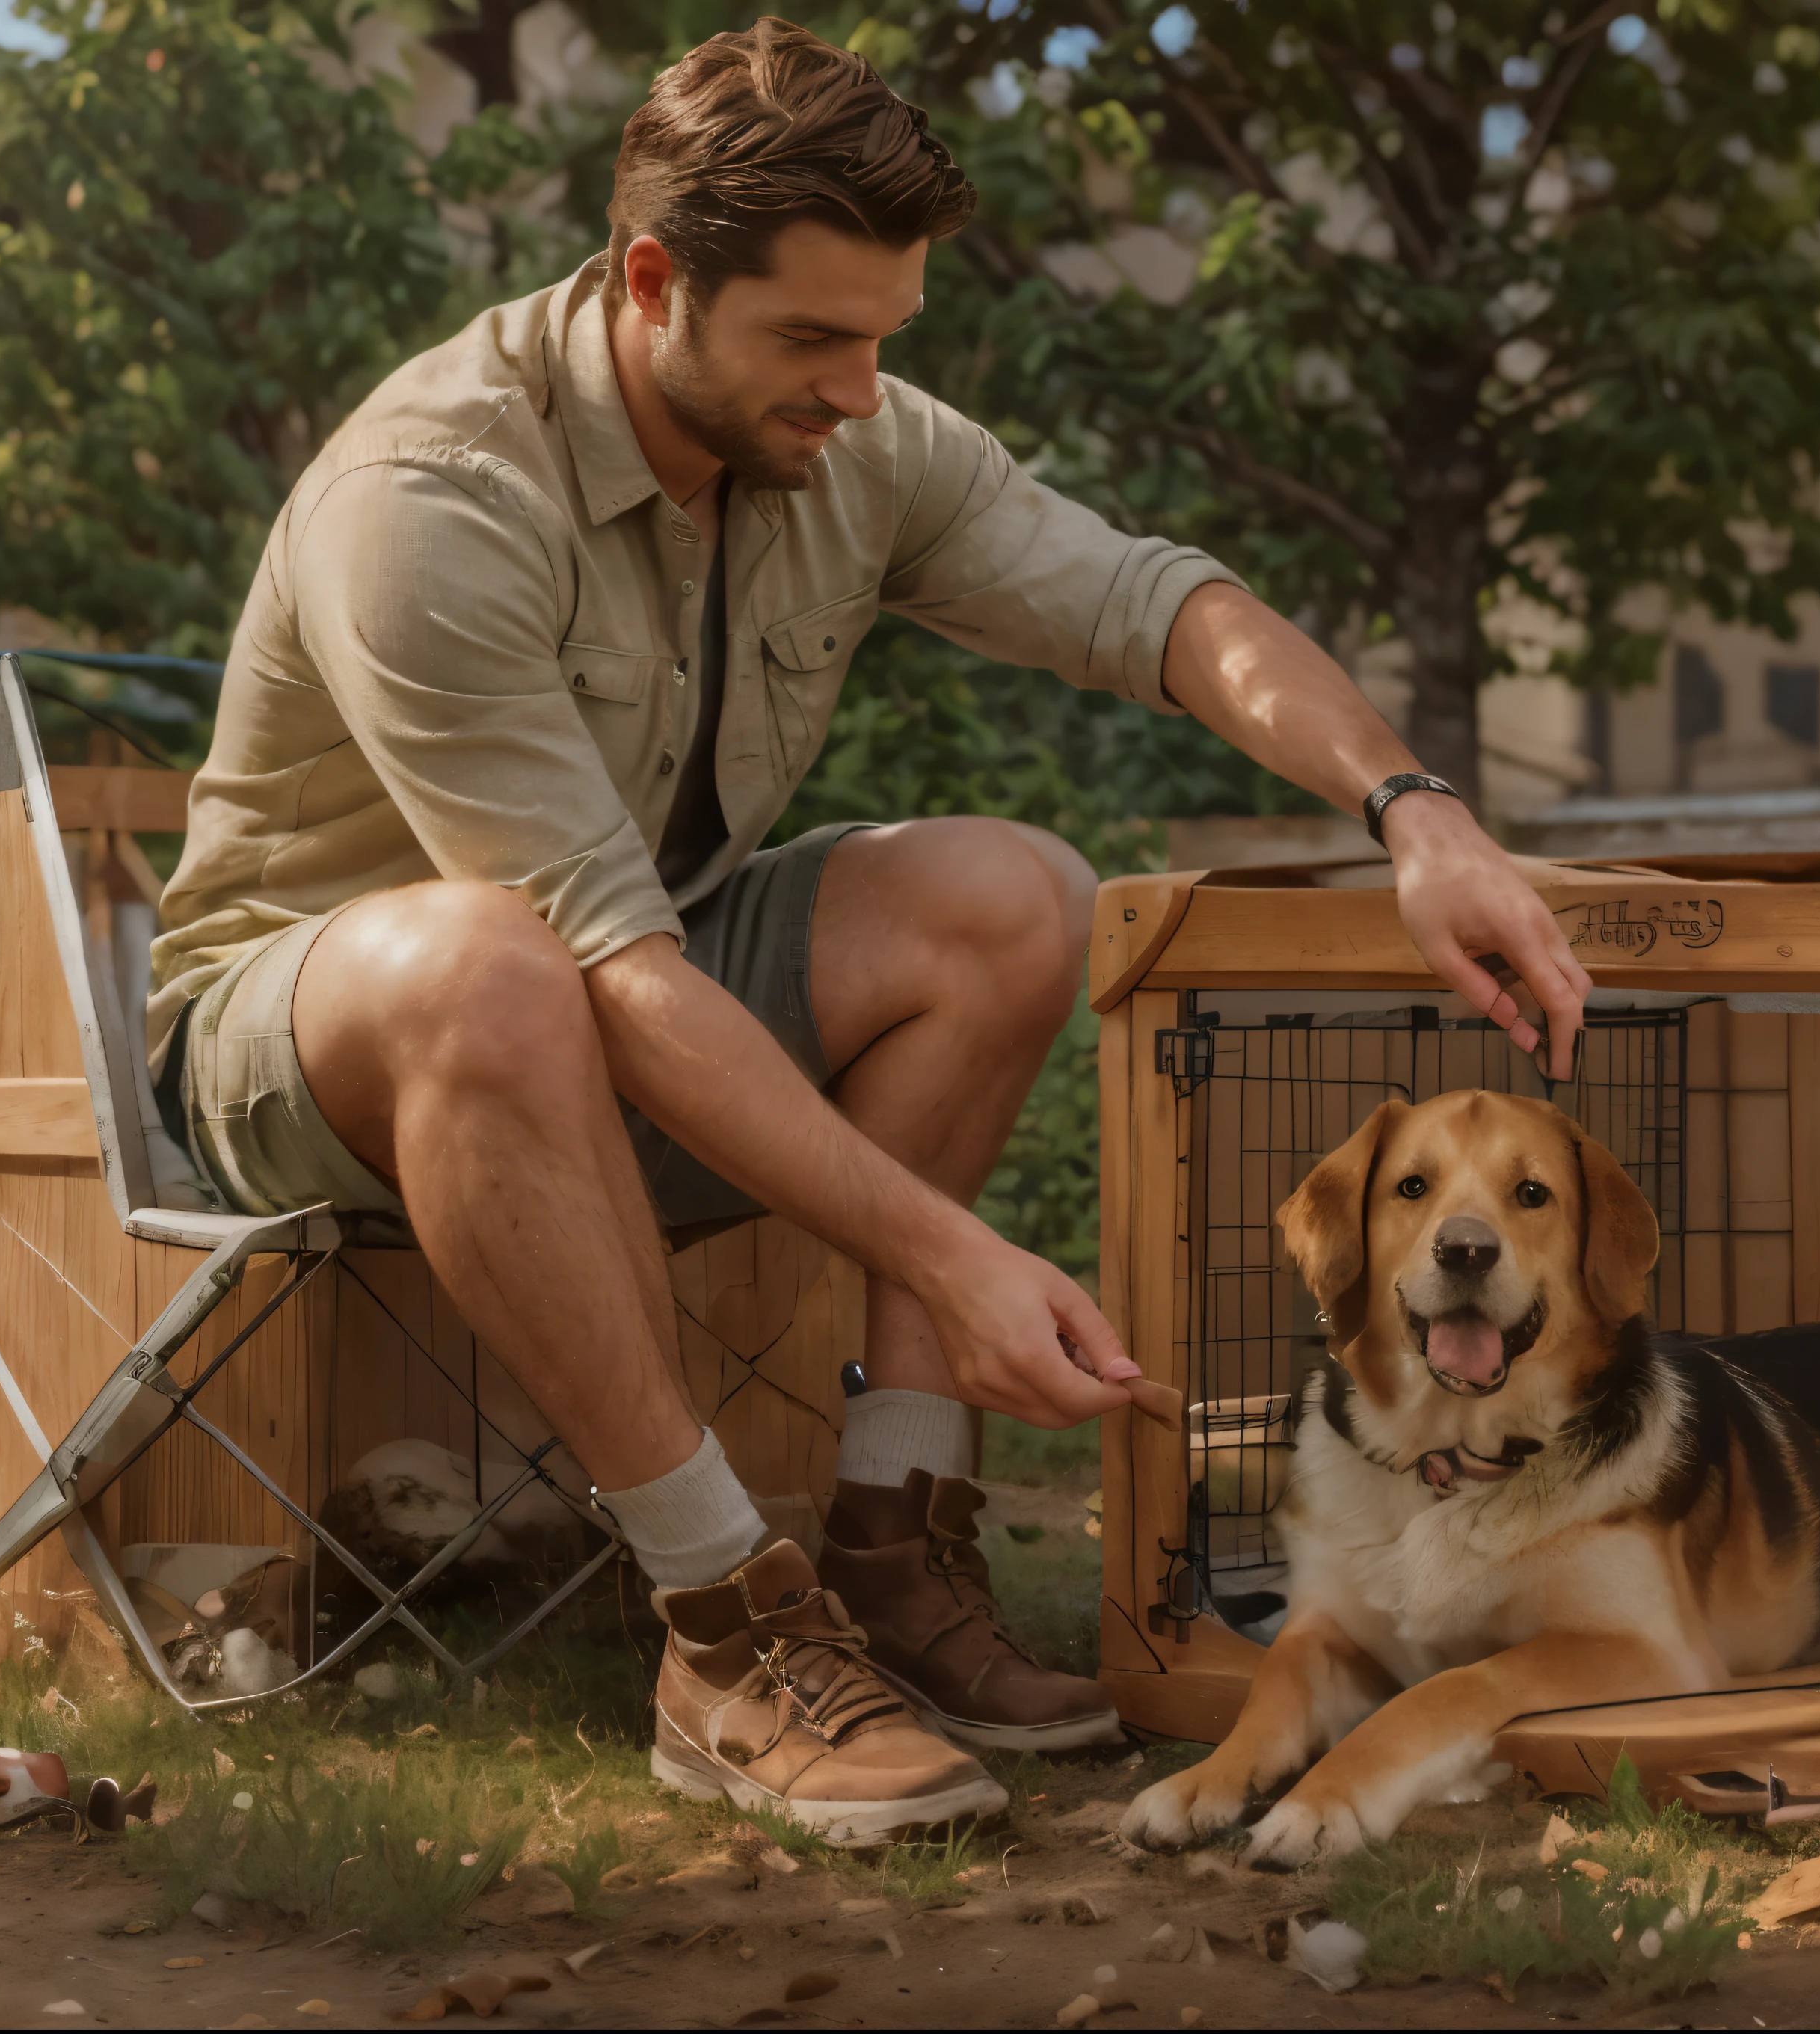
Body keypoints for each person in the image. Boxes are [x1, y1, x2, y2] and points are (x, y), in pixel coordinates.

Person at [147, 19, 1590, 1835]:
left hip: (620, 987)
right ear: (653, 281)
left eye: (882, 336)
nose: (855, 389)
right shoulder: (428, 503)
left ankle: (890, 1556)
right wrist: (963, 1260)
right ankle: (722, 1624)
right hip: (315, 1038)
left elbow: (1156, 605)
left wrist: (1413, 810)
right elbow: (603, 969)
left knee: (1011, 892)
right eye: (812, 340)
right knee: (486, 959)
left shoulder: (851, 434)